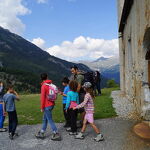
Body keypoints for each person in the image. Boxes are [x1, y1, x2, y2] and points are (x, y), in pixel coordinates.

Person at [35, 73, 61, 141]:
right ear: (47, 77)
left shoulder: (43, 86)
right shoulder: (50, 84)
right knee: (45, 119)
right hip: (52, 104)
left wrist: (42, 107)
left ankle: (56, 133)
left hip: (47, 106)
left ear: (41, 78)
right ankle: (42, 132)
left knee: (49, 119)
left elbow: (43, 98)